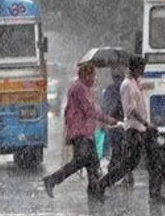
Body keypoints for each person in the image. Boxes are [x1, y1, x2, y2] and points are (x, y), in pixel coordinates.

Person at [93, 55, 165, 204]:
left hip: (143, 128)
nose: (143, 71)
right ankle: (102, 184)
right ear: (134, 68)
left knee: (154, 159)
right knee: (129, 163)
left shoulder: (136, 83)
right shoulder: (126, 85)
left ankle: (155, 193)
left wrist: (147, 124)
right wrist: (145, 123)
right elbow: (130, 110)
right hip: (134, 129)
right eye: (141, 68)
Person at [42, 63, 117, 198]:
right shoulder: (79, 88)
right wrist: (107, 119)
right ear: (85, 75)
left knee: (93, 162)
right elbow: (89, 110)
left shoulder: (84, 89)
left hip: (86, 131)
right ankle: (52, 179)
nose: (94, 79)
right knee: (81, 160)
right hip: (80, 132)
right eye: (92, 76)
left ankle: (94, 190)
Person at [102, 66, 133, 186]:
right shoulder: (126, 87)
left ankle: (112, 175)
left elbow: (105, 105)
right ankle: (127, 176)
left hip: (113, 124)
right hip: (124, 123)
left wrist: (107, 118)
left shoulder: (109, 89)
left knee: (116, 151)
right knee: (126, 151)